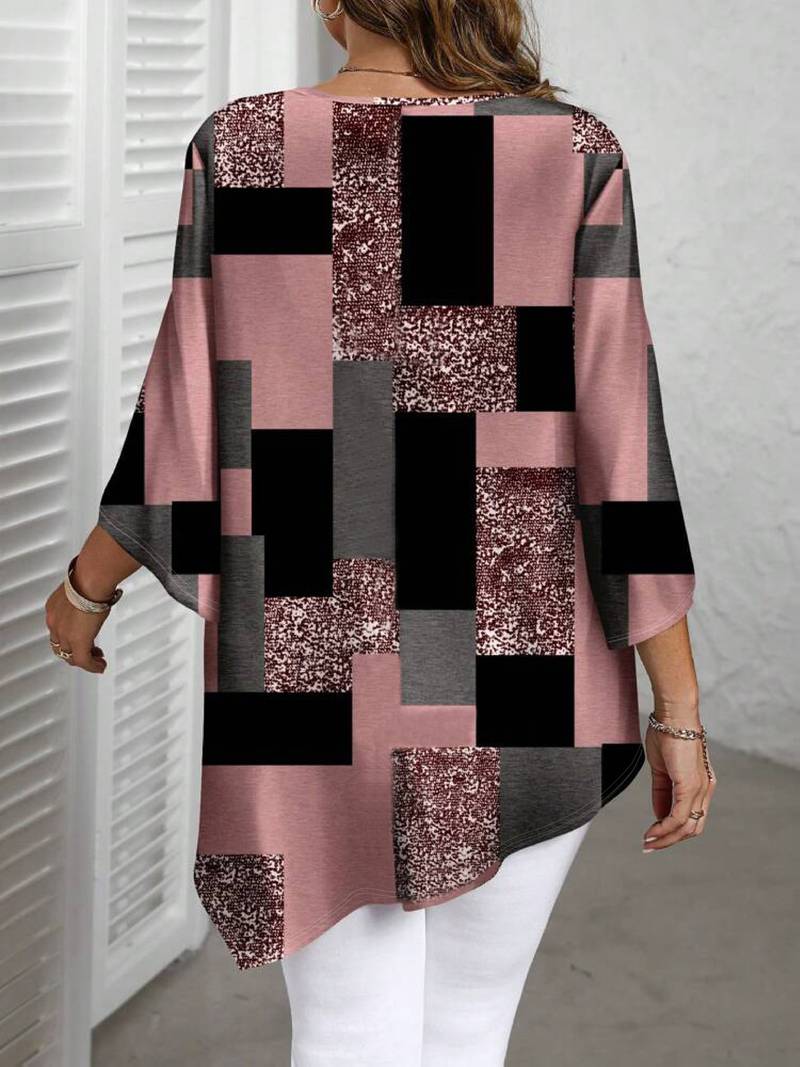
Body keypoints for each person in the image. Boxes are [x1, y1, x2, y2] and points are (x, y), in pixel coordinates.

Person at [45, 1, 717, 1063]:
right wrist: (676, 707)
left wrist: (88, 586)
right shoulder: (568, 152)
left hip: (307, 656)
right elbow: (618, 443)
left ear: (330, 1)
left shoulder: (246, 145)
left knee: (345, 1033)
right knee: (468, 1032)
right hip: (521, 661)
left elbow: (179, 414)